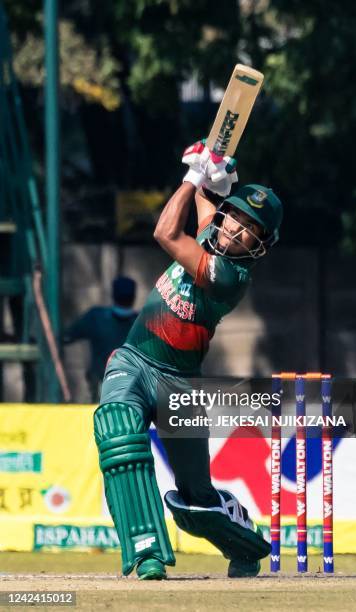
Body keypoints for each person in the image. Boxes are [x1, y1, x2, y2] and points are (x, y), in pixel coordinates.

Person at [93, 141, 283, 580]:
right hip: (135, 361)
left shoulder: (229, 276)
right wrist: (215, 174)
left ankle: (244, 544)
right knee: (117, 429)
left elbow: (164, 233)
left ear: (260, 245)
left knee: (195, 498)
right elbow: (205, 207)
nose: (236, 229)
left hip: (180, 385)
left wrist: (194, 176)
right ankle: (146, 553)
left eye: (249, 228)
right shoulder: (210, 233)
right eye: (235, 216)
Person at [64, 276, 138, 401]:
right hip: (133, 388)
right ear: (133, 297)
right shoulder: (142, 323)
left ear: (113, 295)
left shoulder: (96, 317)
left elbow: (67, 336)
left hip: (101, 386)